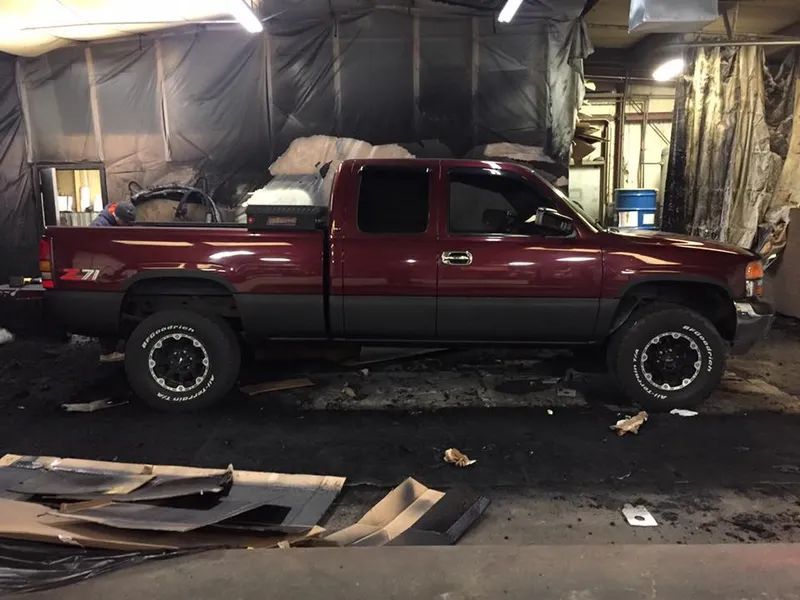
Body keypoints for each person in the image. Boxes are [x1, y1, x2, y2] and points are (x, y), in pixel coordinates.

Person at [92, 201, 136, 362]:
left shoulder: (114, 221)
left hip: (112, 271)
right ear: (116, 216)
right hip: (102, 275)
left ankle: (115, 346)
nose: (126, 226)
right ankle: (107, 352)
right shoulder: (99, 227)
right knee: (107, 311)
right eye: (125, 223)